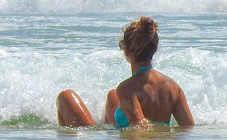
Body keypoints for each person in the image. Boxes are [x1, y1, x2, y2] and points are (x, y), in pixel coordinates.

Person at [57, 16, 195, 128]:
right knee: (112, 95)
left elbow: (140, 131)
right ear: (154, 48)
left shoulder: (129, 89)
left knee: (66, 96)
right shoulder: (174, 88)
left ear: (126, 49)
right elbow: (188, 129)